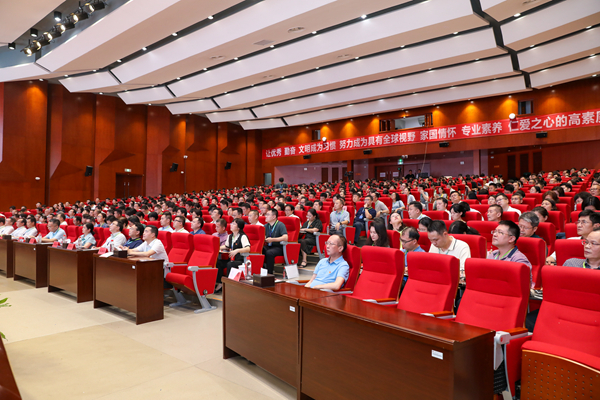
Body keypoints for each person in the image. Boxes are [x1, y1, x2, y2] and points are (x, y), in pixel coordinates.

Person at [488, 220, 533, 287]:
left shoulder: (519, 259)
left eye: (500, 232)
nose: (494, 234)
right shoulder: (493, 254)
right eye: (495, 231)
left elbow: (523, 286)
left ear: (511, 239)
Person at [215, 218, 251, 293]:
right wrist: (216, 248)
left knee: (230, 264)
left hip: (240, 260)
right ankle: (220, 283)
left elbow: (248, 248)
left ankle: (229, 285)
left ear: (238, 227)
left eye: (234, 224)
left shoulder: (243, 236)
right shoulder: (230, 236)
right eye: (231, 223)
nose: (231, 225)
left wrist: (238, 250)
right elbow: (226, 246)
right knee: (218, 262)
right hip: (231, 259)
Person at [262, 209, 288, 274]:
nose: (265, 216)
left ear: (274, 216)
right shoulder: (265, 226)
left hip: (279, 247)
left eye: (268, 215)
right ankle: (261, 271)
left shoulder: (280, 225)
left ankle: (269, 273)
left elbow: (285, 237)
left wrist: (272, 239)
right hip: (268, 246)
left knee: (269, 253)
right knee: (260, 250)